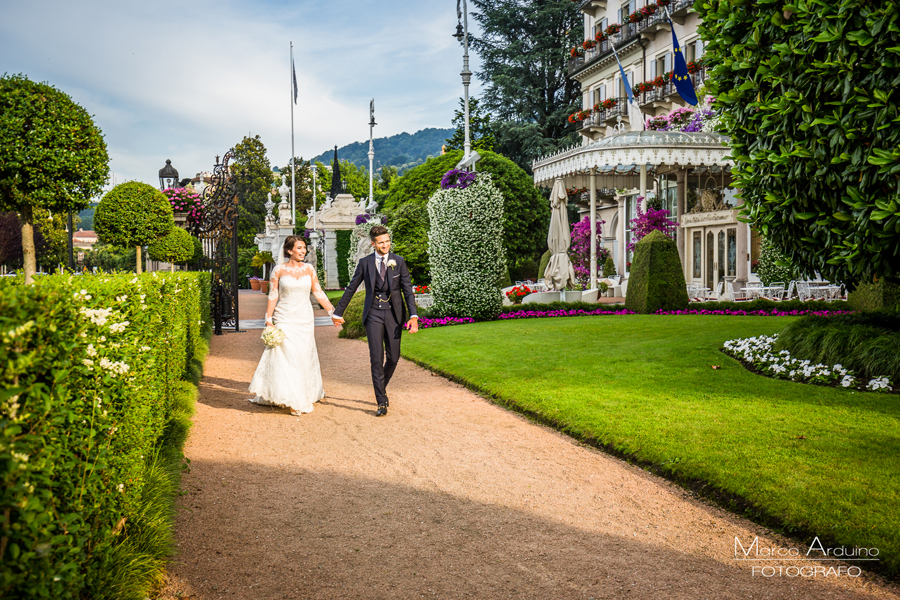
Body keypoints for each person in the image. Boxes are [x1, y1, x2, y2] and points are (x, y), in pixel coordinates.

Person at [332, 225, 418, 416]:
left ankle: (380, 387)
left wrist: (413, 316)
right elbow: (352, 287)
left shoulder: (399, 262)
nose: (385, 245)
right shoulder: (365, 263)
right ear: (373, 244)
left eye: (387, 241)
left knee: (394, 358)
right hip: (373, 314)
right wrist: (338, 312)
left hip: (394, 314)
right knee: (376, 358)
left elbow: (407, 291)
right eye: (381, 242)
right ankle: (381, 401)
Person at [248, 235, 338, 416]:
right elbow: (273, 295)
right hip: (284, 317)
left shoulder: (309, 269)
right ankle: (292, 398)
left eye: (304, 248)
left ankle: (305, 391)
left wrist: (332, 313)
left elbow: (318, 292)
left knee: (303, 355)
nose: (303, 251)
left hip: (304, 318)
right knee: (286, 356)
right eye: (299, 248)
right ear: (289, 251)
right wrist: (269, 318)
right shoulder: (279, 270)